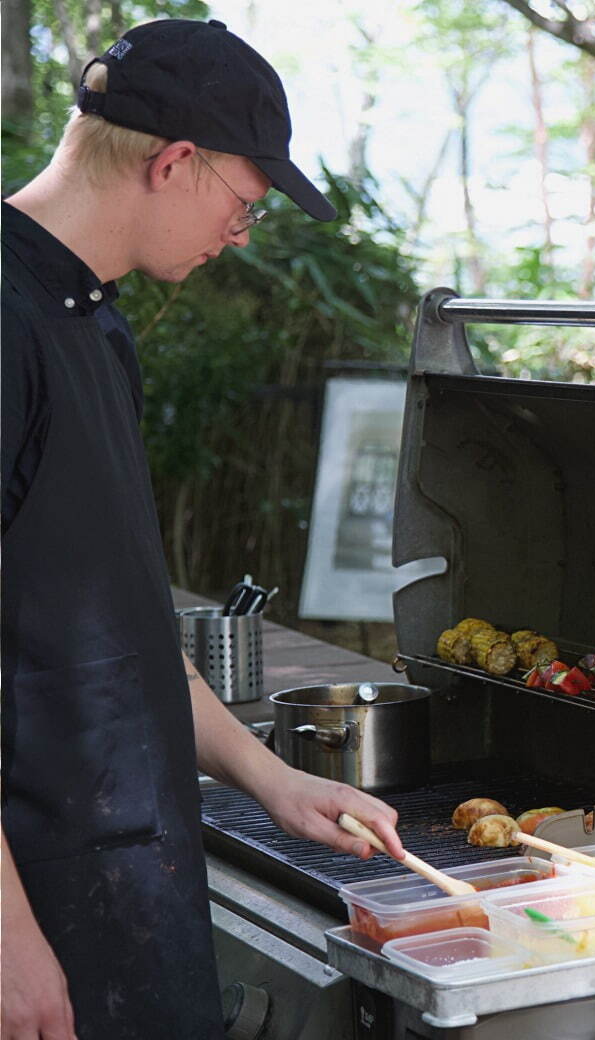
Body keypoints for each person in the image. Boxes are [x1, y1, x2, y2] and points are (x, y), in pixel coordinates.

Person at [2, 20, 407, 1038]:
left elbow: (124, 620)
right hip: (33, 905)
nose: (240, 232)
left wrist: (275, 780)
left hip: (124, 887)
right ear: (175, 162)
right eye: (245, 202)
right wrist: (6, 934)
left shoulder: (94, 323)